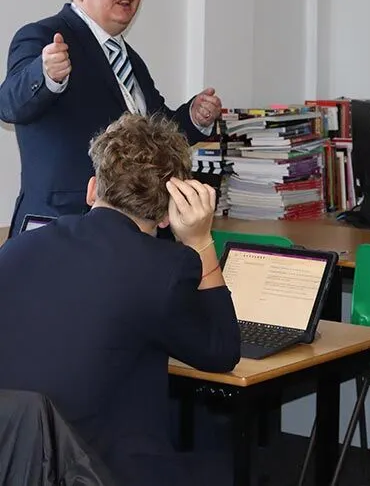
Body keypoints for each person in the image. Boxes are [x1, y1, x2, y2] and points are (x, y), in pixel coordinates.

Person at [0, 114, 239, 485]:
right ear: (166, 215)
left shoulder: (16, 248)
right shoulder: (166, 268)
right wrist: (200, 242)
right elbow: (222, 351)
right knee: (221, 465)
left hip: (16, 465)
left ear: (92, 189)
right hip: (97, 471)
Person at [0, 0, 223, 238]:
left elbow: (152, 136)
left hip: (131, 230)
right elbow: (9, 104)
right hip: (62, 226)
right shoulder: (43, 36)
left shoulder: (129, 58)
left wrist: (195, 118)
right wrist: (47, 75)